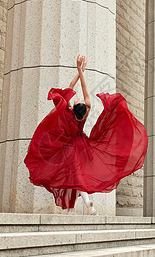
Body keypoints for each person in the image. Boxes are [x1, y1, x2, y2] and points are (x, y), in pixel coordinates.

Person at [24, 55, 148, 215]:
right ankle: (73, 208)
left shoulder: (68, 112)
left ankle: (88, 206)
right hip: (83, 145)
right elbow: (84, 89)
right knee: (76, 178)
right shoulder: (86, 110)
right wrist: (81, 72)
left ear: (74, 106)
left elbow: (70, 87)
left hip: (71, 147)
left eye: (76, 100)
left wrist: (79, 70)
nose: (77, 98)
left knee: (77, 178)